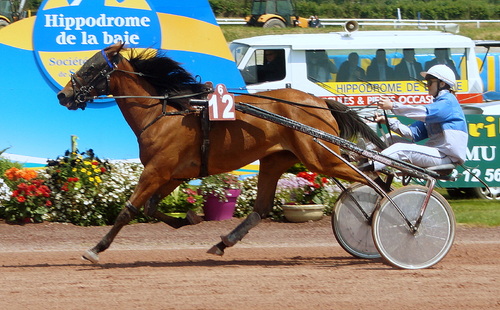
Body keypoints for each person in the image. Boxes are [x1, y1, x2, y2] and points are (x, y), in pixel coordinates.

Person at [359, 65, 468, 172]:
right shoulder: (438, 105)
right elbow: (412, 134)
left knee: (399, 148)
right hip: (437, 154)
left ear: (442, 84)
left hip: (446, 156)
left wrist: (393, 105)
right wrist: (388, 121)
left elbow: (424, 112)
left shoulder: (449, 102)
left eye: (430, 82)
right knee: (390, 139)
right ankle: (356, 155)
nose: (427, 86)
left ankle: (364, 168)